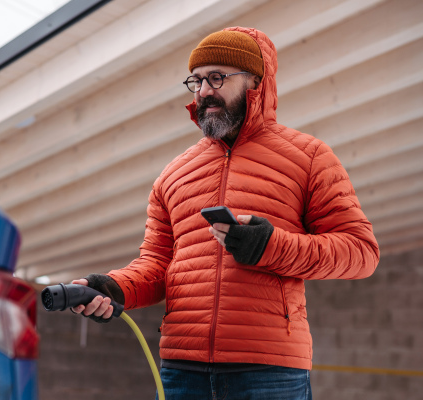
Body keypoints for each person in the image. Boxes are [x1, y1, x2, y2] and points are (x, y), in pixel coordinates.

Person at [70, 26, 379, 400]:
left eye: (216, 78)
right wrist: (115, 287)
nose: (203, 92)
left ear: (255, 81)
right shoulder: (173, 175)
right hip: (182, 371)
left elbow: (361, 252)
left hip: (269, 371)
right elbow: (157, 266)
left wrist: (270, 246)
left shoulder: (309, 158)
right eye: (196, 81)